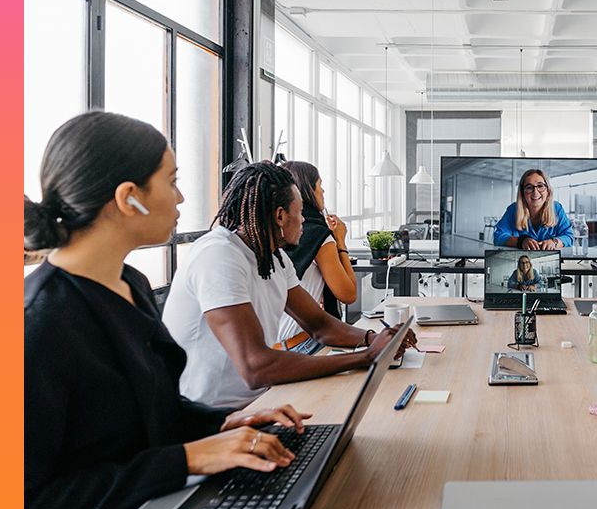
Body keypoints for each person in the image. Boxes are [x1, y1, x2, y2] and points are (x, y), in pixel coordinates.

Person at [24, 112, 309, 509]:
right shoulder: (38, 325)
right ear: (128, 198)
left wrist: (223, 423)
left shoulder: (129, 284)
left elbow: (151, 411)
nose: (181, 198)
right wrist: (189, 457)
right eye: (171, 182)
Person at [162, 162, 415, 409]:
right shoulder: (219, 255)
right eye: (300, 211)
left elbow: (320, 325)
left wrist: (376, 339)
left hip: (259, 403)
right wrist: (366, 356)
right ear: (281, 216)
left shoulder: (275, 258)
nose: (304, 219)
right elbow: (256, 367)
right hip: (210, 416)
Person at [276, 161, 356, 342]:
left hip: (273, 344)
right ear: (307, 191)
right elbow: (348, 294)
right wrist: (340, 241)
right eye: (320, 185)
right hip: (301, 342)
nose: (323, 192)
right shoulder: (318, 236)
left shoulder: (277, 232)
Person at [492, 168, 574, 250]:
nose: (535, 192)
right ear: (523, 193)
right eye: (529, 187)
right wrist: (521, 241)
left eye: (540, 186)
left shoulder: (557, 208)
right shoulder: (513, 209)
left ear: (548, 191)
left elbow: (569, 237)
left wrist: (554, 242)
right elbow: (498, 236)